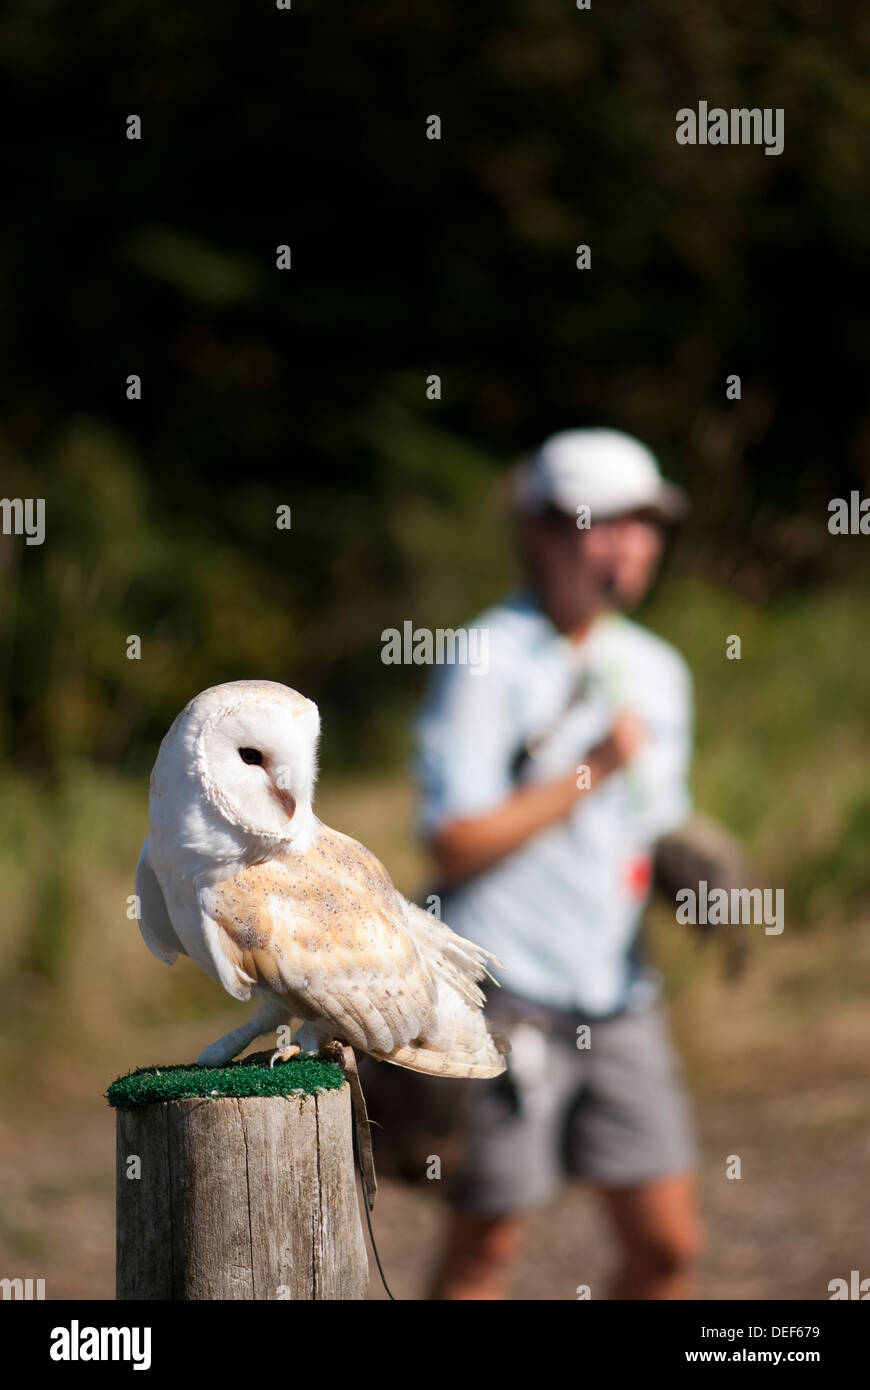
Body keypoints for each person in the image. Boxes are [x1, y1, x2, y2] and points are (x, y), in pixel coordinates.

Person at [414, 428, 701, 1300]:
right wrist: (594, 769)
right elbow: (451, 840)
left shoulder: (658, 668)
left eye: (645, 524)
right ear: (541, 530)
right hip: (508, 997)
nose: (630, 545)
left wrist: (690, 861)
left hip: (620, 997)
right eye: (602, 523)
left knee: (668, 1248)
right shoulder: (484, 658)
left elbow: (651, 823)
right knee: (487, 1247)